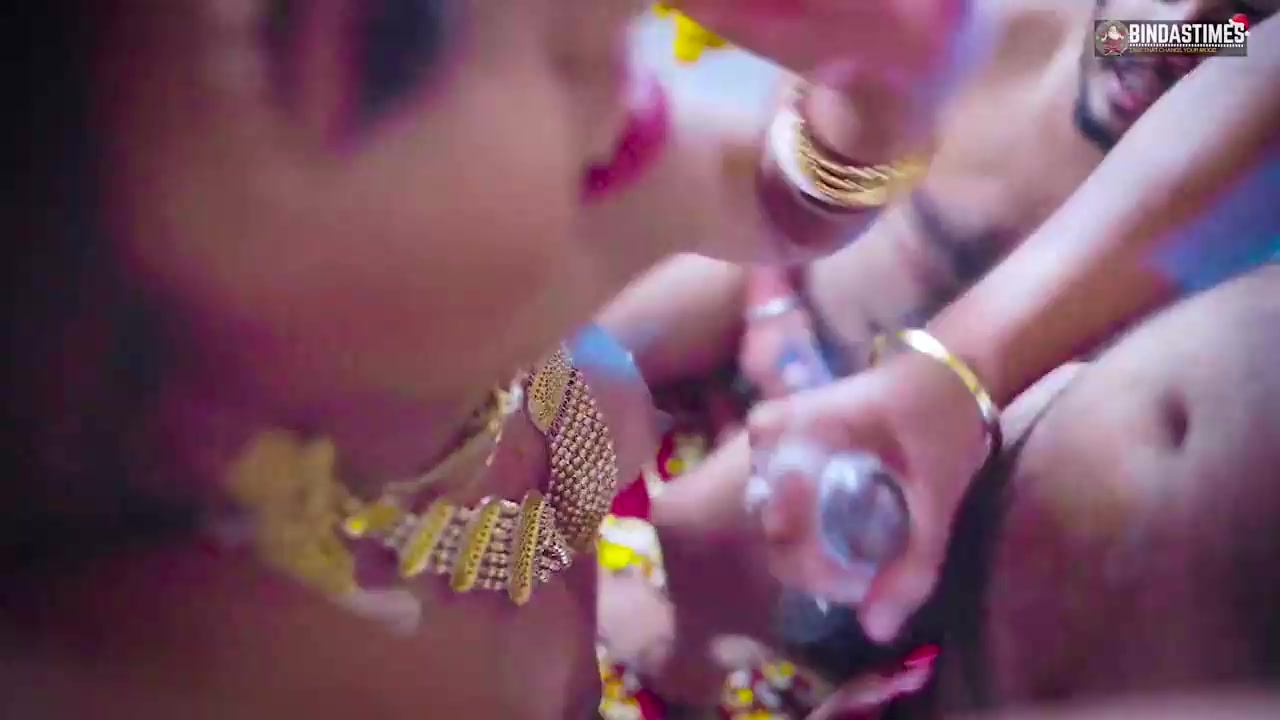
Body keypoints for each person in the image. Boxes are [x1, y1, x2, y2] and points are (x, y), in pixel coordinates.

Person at [0, 2, 975, 719]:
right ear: (185, 422)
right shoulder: (289, 671)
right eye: (401, 34)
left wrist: (867, 93)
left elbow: (778, 200)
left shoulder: (557, 194)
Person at [596, 6, 1280, 719]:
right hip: (791, 310)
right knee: (582, 351)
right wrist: (772, 311)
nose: (1181, 24)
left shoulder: (1193, 231)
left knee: (707, 527)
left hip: (906, 458)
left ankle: (690, 654)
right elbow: (807, 128)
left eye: (1231, 16)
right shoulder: (1009, 32)